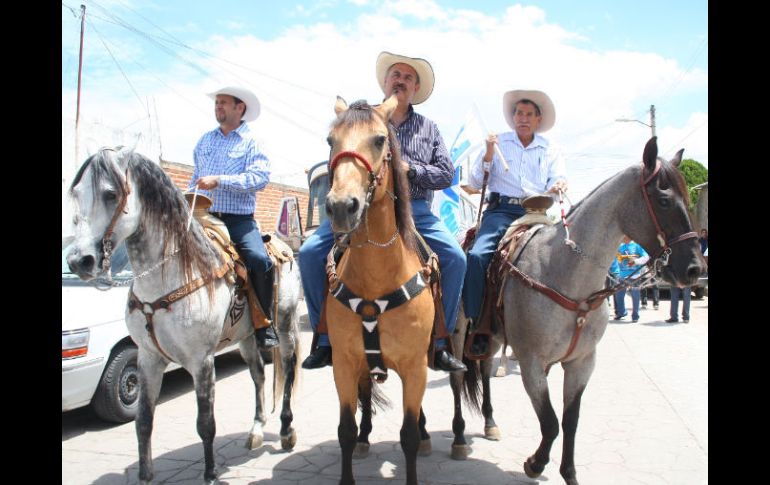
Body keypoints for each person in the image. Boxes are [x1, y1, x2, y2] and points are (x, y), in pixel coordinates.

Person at [299, 51, 467, 373]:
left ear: (415, 88)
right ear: (386, 81)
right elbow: (341, 160)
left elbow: (446, 173)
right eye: (395, 75)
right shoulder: (360, 120)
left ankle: (441, 341)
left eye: (408, 77)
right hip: (362, 208)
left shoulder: (428, 129)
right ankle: (324, 338)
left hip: (415, 209)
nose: (400, 81)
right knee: (308, 253)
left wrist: (411, 170)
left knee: (457, 259)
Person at [463, 90, 567, 356]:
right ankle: (477, 325)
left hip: (539, 213)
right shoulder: (499, 142)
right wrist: (488, 154)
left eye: (529, 114)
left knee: (566, 254)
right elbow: (476, 181)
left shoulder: (550, 148)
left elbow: (556, 183)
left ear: (538, 118)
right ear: (513, 117)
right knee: (476, 256)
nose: (523, 118)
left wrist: (557, 186)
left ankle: (561, 320)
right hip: (502, 212)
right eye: (519, 113)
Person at [189, 86, 278, 350]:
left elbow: (259, 179)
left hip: (238, 221)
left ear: (240, 108)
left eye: (224, 103)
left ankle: (264, 323)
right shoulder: (204, 141)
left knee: (259, 260)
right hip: (203, 217)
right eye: (217, 102)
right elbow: (196, 178)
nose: (218, 107)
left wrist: (219, 180)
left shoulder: (252, 142)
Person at [609, 235, 650, 323]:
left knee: (635, 296)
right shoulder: (620, 247)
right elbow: (615, 260)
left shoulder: (637, 246)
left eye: (624, 236)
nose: (622, 237)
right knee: (619, 295)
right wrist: (614, 271)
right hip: (621, 276)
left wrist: (636, 261)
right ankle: (621, 312)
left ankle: (635, 316)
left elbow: (646, 257)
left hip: (635, 275)